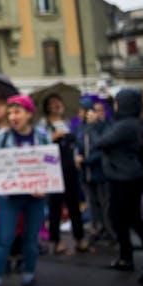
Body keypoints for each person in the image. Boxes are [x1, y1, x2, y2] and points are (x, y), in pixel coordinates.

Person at [0, 96, 50, 286]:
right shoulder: (0, 138)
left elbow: (50, 164)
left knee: (31, 241)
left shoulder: (42, 136)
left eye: (17, 112)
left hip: (35, 198)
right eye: (10, 113)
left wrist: (46, 187)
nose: (13, 117)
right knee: (4, 239)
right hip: (9, 198)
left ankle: (29, 279)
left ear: (29, 114)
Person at [93, 88, 143, 272]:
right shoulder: (133, 123)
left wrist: (94, 125)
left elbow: (100, 142)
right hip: (129, 176)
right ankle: (127, 256)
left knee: (128, 219)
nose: (115, 105)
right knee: (128, 219)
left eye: (118, 102)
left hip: (124, 178)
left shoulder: (125, 125)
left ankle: (131, 257)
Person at [39, 94, 87, 254]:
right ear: (47, 107)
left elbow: (74, 146)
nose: (57, 105)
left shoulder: (67, 123)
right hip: (54, 169)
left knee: (74, 203)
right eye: (53, 103)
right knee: (55, 206)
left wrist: (77, 158)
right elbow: (40, 147)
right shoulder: (44, 125)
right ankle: (56, 240)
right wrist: (52, 138)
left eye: (59, 102)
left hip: (70, 168)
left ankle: (79, 238)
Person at [76, 98, 113, 243]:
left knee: (105, 203)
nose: (79, 114)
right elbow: (79, 146)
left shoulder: (102, 126)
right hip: (86, 173)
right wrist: (78, 158)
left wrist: (86, 160)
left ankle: (109, 230)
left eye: (81, 111)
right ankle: (95, 228)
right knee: (91, 203)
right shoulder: (79, 127)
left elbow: (101, 148)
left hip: (100, 171)